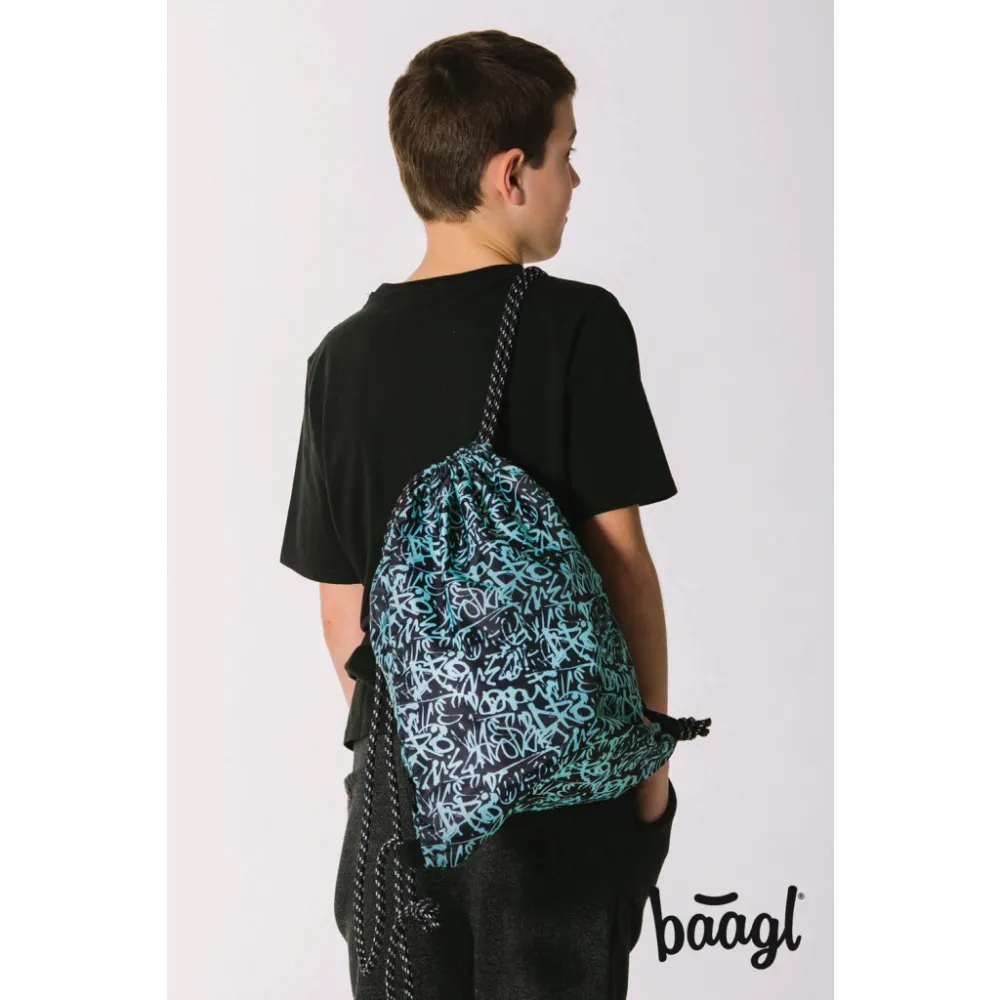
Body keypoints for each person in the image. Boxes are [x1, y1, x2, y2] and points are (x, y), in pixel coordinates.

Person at [279, 29, 681, 1000]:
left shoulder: (338, 360)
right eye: (566, 151)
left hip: (399, 808)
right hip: (557, 807)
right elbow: (622, 568)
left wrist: (433, 751)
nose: (573, 179)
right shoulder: (578, 325)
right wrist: (649, 774)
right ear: (511, 174)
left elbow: (344, 614)